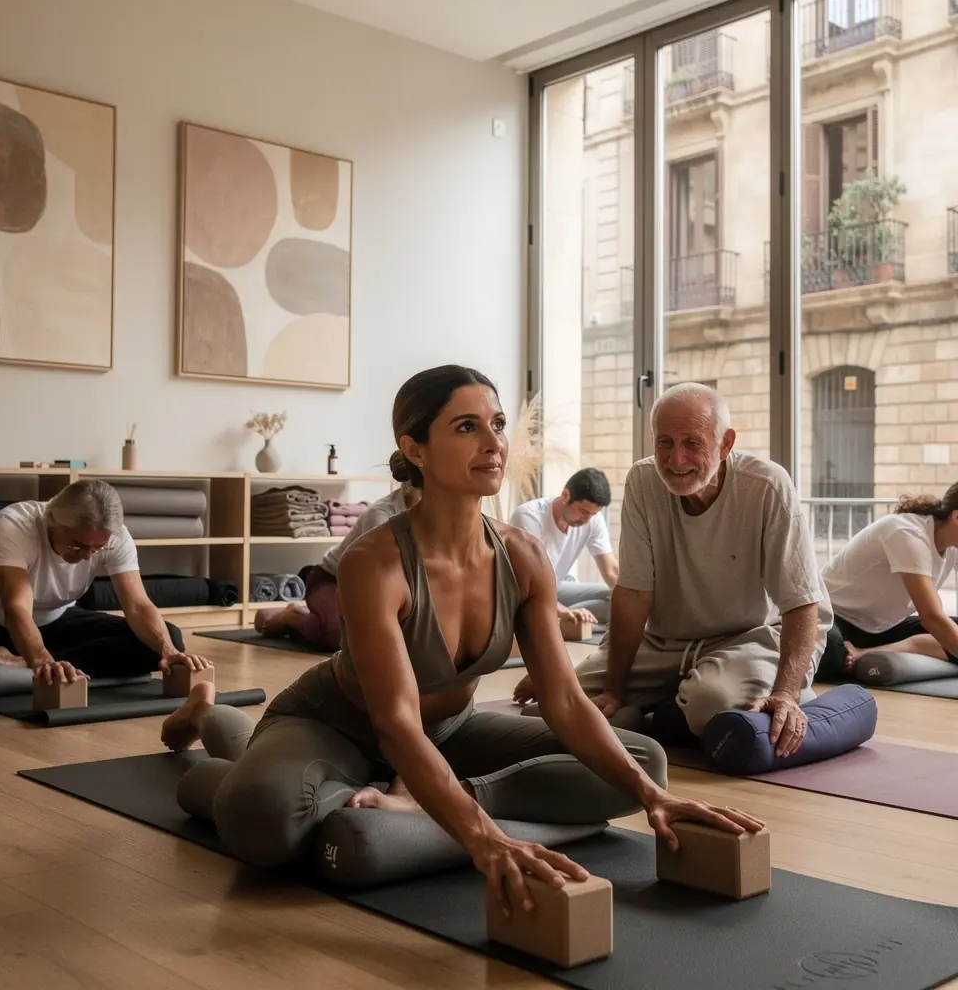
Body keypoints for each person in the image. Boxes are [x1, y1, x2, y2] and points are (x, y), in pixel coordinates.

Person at [160, 365, 762, 910]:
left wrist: (651, 799)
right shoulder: (376, 561)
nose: (495, 442)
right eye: (468, 427)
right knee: (263, 820)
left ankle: (414, 800)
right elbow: (395, 724)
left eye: (497, 424)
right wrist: (483, 840)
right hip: (339, 724)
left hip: (449, 733)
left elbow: (564, 700)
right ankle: (219, 734)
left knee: (643, 762)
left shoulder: (522, 556)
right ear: (414, 448)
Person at [514, 382, 832, 759]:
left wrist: (785, 692)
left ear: (725, 443)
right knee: (557, 700)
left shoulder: (767, 485)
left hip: (751, 637)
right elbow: (633, 592)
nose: (676, 459)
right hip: (666, 643)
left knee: (707, 702)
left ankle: (770, 687)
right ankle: (652, 704)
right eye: (664, 442)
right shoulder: (643, 481)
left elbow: (801, 601)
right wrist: (613, 689)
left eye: (692, 443)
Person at [0, 479, 210, 686]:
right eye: (79, 545)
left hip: (51, 621)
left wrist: (168, 651)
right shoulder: (15, 525)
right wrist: (41, 658)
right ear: (54, 521)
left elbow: (138, 606)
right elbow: (16, 608)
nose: (88, 555)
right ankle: (30, 662)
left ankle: (13, 664)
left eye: (97, 549)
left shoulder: (115, 537)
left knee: (165, 639)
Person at [253, 483, 421, 650]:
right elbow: (382, 579)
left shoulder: (438, 515)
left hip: (379, 588)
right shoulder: (381, 516)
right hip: (331, 578)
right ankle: (292, 616)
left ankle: (320, 617)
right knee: (340, 637)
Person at [818, 484, 958, 678]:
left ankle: (865, 653)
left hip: (881, 628)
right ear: (957, 517)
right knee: (833, 657)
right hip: (832, 614)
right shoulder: (908, 533)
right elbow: (932, 617)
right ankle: (856, 654)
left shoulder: (952, 545)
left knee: (951, 632)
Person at [509, 468, 618, 624]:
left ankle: (559, 619)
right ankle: (557, 617)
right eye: (583, 511)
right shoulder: (529, 517)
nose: (586, 519)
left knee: (616, 598)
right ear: (566, 496)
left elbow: (612, 571)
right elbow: (529, 582)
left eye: (592, 514)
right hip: (527, 593)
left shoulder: (593, 519)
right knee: (534, 606)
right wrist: (561, 610)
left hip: (556, 589)